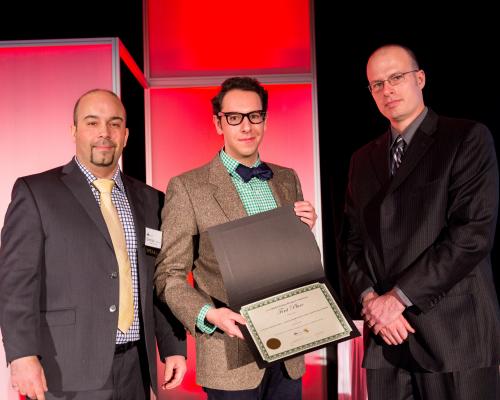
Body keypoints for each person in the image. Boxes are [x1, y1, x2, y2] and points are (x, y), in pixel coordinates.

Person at [0, 89, 187, 400]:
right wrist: (21, 356)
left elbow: (158, 281)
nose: (104, 133)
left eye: (114, 124)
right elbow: (15, 284)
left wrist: (172, 347)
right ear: (73, 130)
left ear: (126, 135)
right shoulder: (36, 193)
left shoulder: (152, 200)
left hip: (136, 369)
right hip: (66, 368)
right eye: (92, 122)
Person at [342, 44, 500, 399]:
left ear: (420, 78)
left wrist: (397, 299)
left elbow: (471, 236)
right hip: (386, 340)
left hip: (454, 336)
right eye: (376, 84)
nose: (387, 90)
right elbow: (351, 242)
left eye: (396, 78)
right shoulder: (362, 159)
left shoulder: (466, 138)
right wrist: (371, 301)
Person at [154, 76, 317, 400]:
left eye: (254, 116)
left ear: (265, 121)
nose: (246, 126)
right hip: (229, 354)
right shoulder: (188, 187)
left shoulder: (286, 179)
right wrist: (208, 315)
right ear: (219, 123)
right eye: (234, 117)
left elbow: (297, 262)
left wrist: (305, 232)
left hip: (288, 351)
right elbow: (168, 275)